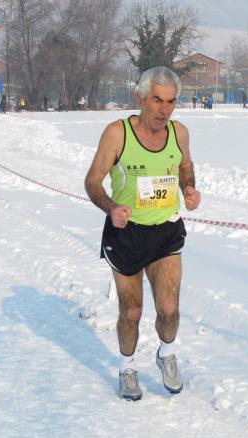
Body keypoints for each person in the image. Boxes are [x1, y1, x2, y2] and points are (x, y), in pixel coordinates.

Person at [84, 66, 201, 401]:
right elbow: (92, 182)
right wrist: (110, 208)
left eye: (171, 102)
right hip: (127, 234)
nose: (164, 110)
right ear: (141, 99)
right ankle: (127, 368)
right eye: (157, 101)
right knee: (131, 311)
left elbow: (184, 165)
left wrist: (189, 188)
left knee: (168, 308)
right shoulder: (117, 133)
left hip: (165, 231)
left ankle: (166, 354)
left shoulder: (179, 133)